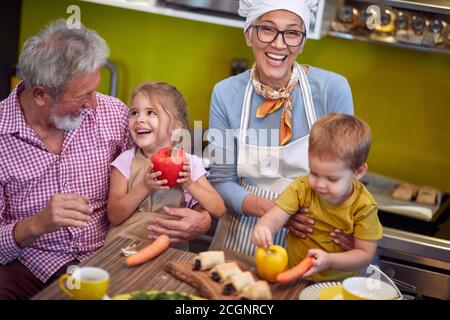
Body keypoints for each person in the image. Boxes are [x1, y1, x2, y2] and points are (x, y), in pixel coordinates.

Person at [208, 0, 356, 265]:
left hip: (313, 247)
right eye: (267, 29)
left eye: (292, 33)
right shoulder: (225, 93)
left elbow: (348, 176)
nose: (279, 44)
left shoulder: (333, 89)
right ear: (248, 34)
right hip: (243, 244)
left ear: (302, 41)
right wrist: (276, 211)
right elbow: (221, 181)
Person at [252, 113, 382, 281]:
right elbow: (274, 218)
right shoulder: (302, 187)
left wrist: (329, 261)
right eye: (314, 173)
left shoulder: (363, 206)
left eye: (332, 179)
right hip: (294, 278)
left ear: (358, 172)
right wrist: (264, 228)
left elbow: (365, 254)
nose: (320, 184)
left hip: (338, 285)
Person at [106, 82, 225, 243]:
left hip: (168, 251)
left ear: (175, 127)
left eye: (150, 113)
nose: (139, 119)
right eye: (134, 113)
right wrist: (144, 186)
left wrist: (190, 184)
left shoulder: (190, 164)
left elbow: (219, 209)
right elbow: (114, 216)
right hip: (121, 245)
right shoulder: (125, 161)